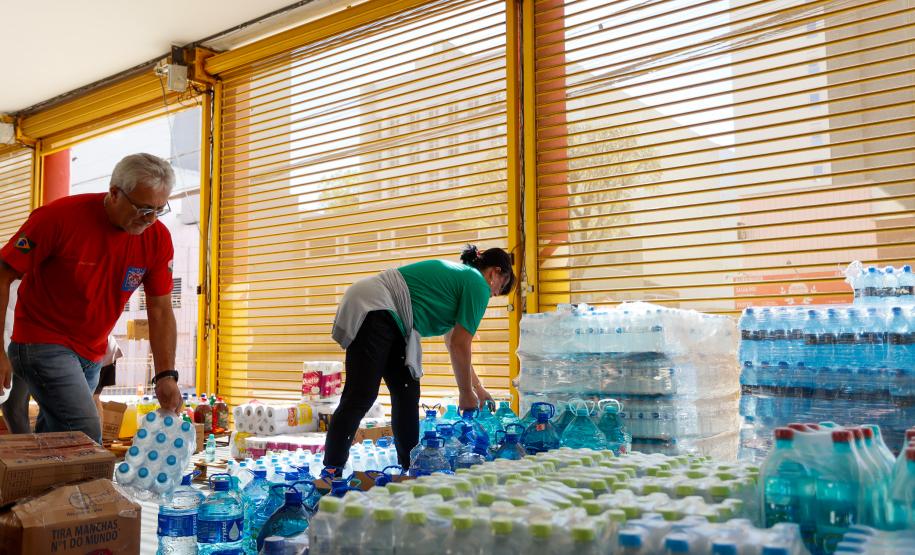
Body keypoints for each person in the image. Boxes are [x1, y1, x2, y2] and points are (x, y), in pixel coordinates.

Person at [0, 153, 183, 444]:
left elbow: (160, 309)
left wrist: (166, 375)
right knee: (85, 434)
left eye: (159, 210)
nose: (149, 220)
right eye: (143, 208)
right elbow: (3, 272)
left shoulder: (157, 239)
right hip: (40, 341)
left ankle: (37, 488)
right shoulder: (57, 218)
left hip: (92, 352)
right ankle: (91, 491)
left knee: (58, 441)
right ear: (114, 193)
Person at [323, 245, 515, 471]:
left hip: (391, 315)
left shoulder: (461, 279)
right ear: (494, 272)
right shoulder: (476, 282)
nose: (493, 295)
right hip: (377, 306)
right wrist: (465, 393)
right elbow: (460, 344)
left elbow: (454, 343)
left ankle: (410, 468)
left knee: (407, 394)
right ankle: (332, 471)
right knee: (361, 394)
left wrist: (477, 389)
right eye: (500, 287)